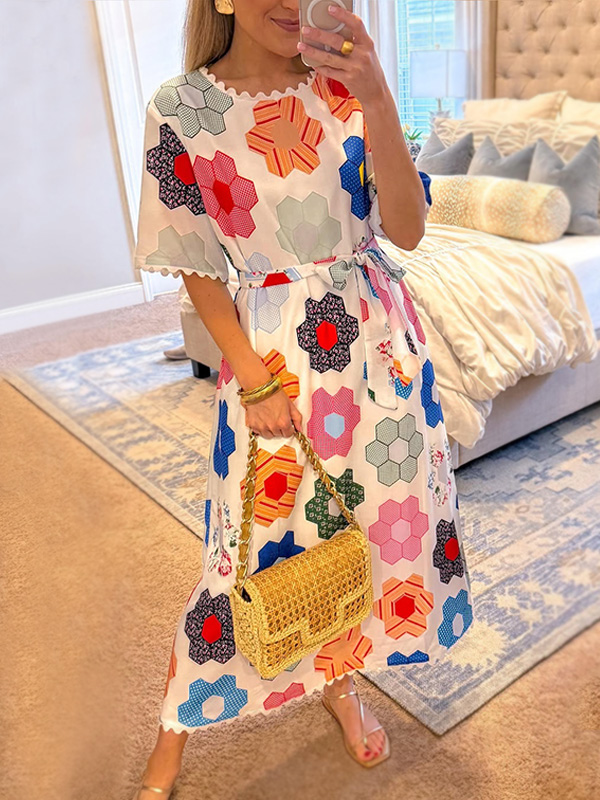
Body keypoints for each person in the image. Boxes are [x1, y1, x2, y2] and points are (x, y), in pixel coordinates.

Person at [132, 0, 474, 796]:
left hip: (380, 352)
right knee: (248, 546)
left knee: (365, 533)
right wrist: (252, 376)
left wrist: (378, 94)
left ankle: (339, 684)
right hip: (277, 357)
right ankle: (176, 723)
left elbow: (407, 229)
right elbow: (194, 259)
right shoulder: (181, 109)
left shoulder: (348, 87)